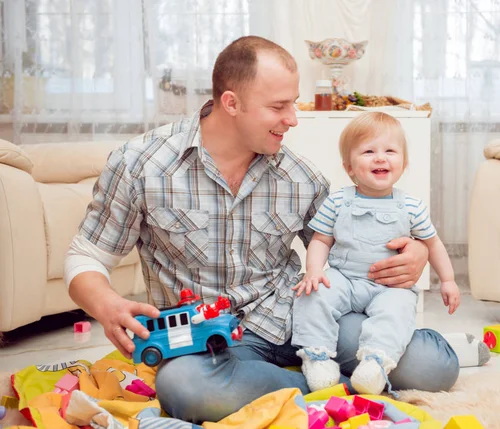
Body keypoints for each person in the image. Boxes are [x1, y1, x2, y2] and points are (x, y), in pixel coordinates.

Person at [64, 36, 462, 424]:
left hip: (300, 319)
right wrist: (106, 305)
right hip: (209, 342)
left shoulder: (301, 177)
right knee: (186, 388)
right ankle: (329, 386)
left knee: (433, 367)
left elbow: (345, 250)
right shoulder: (141, 164)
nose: (293, 118)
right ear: (231, 103)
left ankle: (301, 380)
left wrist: (419, 250)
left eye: (292, 102)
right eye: (279, 106)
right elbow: (86, 256)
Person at [292, 112, 460, 395]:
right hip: (344, 278)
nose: (380, 158)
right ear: (350, 168)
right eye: (369, 151)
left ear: (403, 163)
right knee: (313, 294)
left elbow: (432, 244)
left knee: (395, 314)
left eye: (390, 151)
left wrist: (448, 280)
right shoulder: (337, 201)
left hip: (389, 288)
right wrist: (315, 271)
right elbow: (321, 240)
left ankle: (375, 364)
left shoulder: (411, 206)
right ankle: (316, 357)